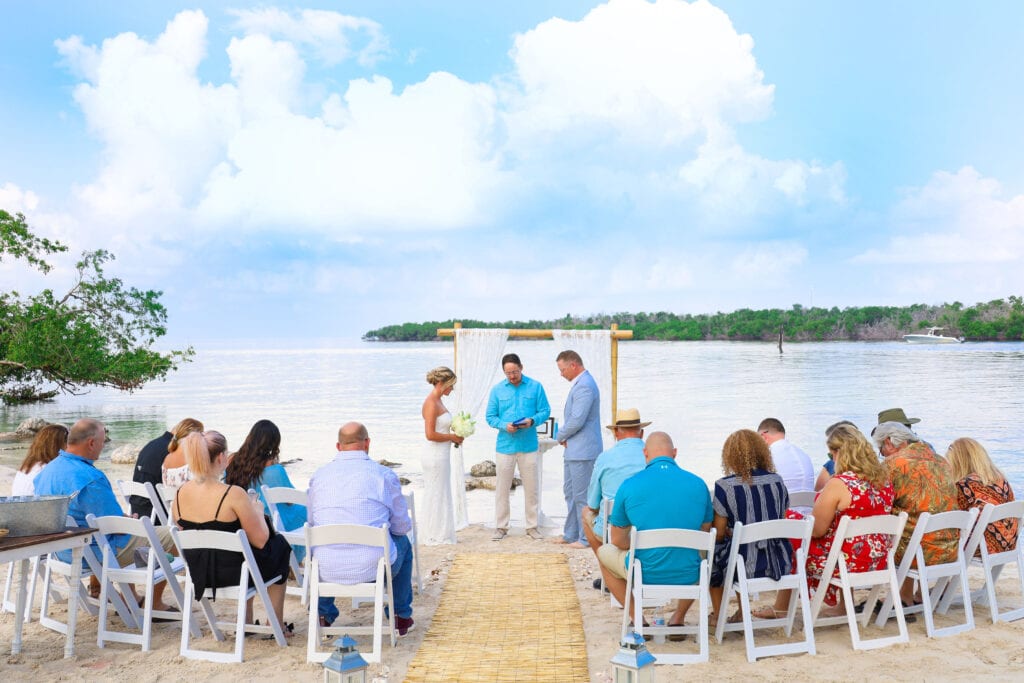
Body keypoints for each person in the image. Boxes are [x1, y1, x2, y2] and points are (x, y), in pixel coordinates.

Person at [35, 419, 178, 609]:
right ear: (91, 443)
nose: (103, 447)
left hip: (63, 551)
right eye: (103, 442)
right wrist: (127, 522)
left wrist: (123, 521)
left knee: (127, 534)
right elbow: (116, 529)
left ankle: (131, 596)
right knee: (172, 535)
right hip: (93, 554)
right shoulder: (90, 478)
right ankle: (155, 603)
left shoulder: (48, 470)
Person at [172, 431, 293, 635]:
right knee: (279, 546)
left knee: (244, 553)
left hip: (201, 574)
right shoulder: (233, 494)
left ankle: (245, 621)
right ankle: (275, 624)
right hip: (235, 575)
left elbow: (188, 532)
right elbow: (261, 540)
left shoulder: (180, 493)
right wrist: (257, 510)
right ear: (221, 457)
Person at [307, 422, 415, 635]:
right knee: (403, 543)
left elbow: (311, 523)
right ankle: (400, 616)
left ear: (338, 447)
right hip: (374, 568)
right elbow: (402, 527)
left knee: (325, 543)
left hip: (325, 569)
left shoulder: (319, 476)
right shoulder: (383, 475)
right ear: (367, 443)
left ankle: (322, 614)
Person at [598, 432, 713, 629]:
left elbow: (616, 539)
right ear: (675, 453)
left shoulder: (629, 485)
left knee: (603, 553)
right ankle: (678, 618)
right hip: (690, 571)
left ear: (645, 454)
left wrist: (636, 545)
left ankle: (638, 619)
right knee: (701, 552)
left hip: (644, 571)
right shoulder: (698, 484)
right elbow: (704, 531)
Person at [801, 424, 894, 616]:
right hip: (878, 560)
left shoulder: (839, 483)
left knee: (795, 540)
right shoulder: (884, 480)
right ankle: (844, 605)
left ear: (839, 453)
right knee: (845, 540)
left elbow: (817, 530)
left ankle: (783, 606)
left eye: (831, 454)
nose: (832, 459)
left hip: (844, 563)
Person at [710, 430, 793, 621]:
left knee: (715, 553)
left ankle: (719, 615)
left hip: (745, 566)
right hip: (779, 562)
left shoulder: (726, 486)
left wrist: (735, 533)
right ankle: (740, 611)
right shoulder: (777, 481)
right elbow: (779, 519)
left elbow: (719, 533)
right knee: (739, 547)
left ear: (729, 456)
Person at [872, 421, 957, 603]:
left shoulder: (894, 464)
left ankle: (903, 597)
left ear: (888, 442)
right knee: (911, 517)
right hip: (950, 549)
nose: (882, 455)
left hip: (919, 553)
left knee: (884, 529)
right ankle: (908, 594)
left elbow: (879, 504)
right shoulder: (941, 461)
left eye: (881, 449)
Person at [485, 353, 551, 541]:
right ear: (504, 372)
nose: (512, 376)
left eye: (514, 371)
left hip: (529, 445)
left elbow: (545, 411)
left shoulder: (536, 387)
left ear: (521, 367)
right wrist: (503, 425)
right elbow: (490, 417)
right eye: (508, 373)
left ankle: (531, 527)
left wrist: (533, 421)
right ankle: (501, 527)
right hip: (505, 446)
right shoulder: (497, 390)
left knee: (531, 488)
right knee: (502, 489)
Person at [581, 408, 649, 587]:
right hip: (649, 527)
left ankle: (609, 576)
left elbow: (593, 503)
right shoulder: (653, 455)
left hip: (614, 531)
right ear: (641, 433)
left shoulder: (605, 458)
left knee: (585, 513)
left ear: (616, 433)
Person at [225, 419, 307, 563]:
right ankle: (294, 559)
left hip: (245, 518)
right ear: (274, 444)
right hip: (269, 522)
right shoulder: (275, 470)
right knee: (306, 509)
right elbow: (289, 499)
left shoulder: (233, 461)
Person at [555, 350, 603, 547]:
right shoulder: (581, 384)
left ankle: (585, 538)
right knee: (570, 492)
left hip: (584, 451)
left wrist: (560, 435)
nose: (561, 374)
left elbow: (577, 419)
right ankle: (571, 533)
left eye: (563, 369)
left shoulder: (585, 386)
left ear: (573, 365)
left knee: (583, 496)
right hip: (574, 449)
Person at [947, 437, 1018, 555]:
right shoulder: (1001, 480)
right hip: (1009, 545)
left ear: (959, 462)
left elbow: (954, 519)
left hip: (983, 546)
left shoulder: (965, 485)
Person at [420, 366, 463, 545]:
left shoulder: (438, 401)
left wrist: (457, 431)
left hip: (442, 453)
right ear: (441, 383)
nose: (451, 389)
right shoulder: (431, 403)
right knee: (436, 492)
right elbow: (430, 434)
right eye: (450, 385)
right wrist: (452, 436)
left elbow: (440, 428)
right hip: (435, 455)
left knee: (441, 492)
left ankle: (440, 530)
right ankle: (434, 534)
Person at [129, 418, 203, 519]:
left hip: (138, 508)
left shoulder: (152, 444)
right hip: (156, 513)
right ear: (191, 437)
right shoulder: (173, 451)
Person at [757, 418, 815, 513]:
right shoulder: (803, 454)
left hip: (780, 522)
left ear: (763, 436)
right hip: (808, 521)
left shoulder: (767, 457)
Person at [12, 424, 68, 496]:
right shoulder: (49, 470)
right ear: (58, 446)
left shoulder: (28, 466)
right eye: (68, 443)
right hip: (37, 505)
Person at [814, 420, 857, 492]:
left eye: (833, 449)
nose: (832, 457)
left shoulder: (831, 467)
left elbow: (815, 497)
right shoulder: (873, 470)